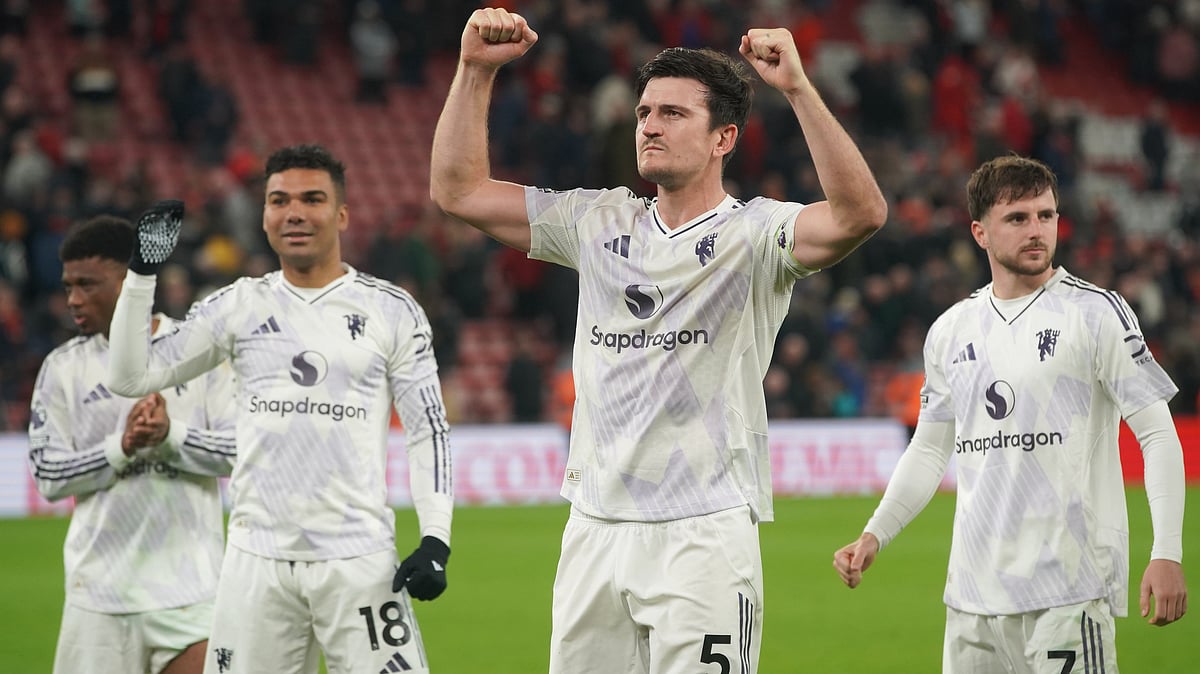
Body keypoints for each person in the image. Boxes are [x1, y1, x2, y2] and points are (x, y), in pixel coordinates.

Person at [430, 8, 887, 672]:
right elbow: (458, 190)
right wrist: (474, 72)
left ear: (722, 138)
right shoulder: (596, 221)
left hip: (702, 532)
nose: (650, 124)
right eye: (646, 111)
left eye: (674, 113)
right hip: (594, 526)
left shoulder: (758, 236)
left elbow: (860, 214)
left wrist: (797, 89)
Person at [105, 144, 454, 674]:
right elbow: (131, 375)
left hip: (357, 558)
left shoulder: (391, 309)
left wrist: (436, 538)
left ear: (341, 214)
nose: (294, 212)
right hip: (255, 561)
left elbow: (428, 429)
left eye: (312, 199)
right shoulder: (237, 305)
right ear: (265, 215)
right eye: (279, 200)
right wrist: (140, 276)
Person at [834, 156, 1188, 673]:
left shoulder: (1096, 313)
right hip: (972, 601)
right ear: (980, 232)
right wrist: (875, 532)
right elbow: (931, 449)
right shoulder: (950, 331)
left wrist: (1168, 551)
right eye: (1018, 218)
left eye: (1046, 216)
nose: (1037, 230)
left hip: (1067, 591)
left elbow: (1156, 434)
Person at [27, 214, 238, 674]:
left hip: (192, 592)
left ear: (130, 279)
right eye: (68, 287)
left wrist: (169, 436)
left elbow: (239, 451)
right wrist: (120, 446)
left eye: (88, 284)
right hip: (99, 597)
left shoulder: (197, 351)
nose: (73, 300)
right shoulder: (62, 368)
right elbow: (47, 475)